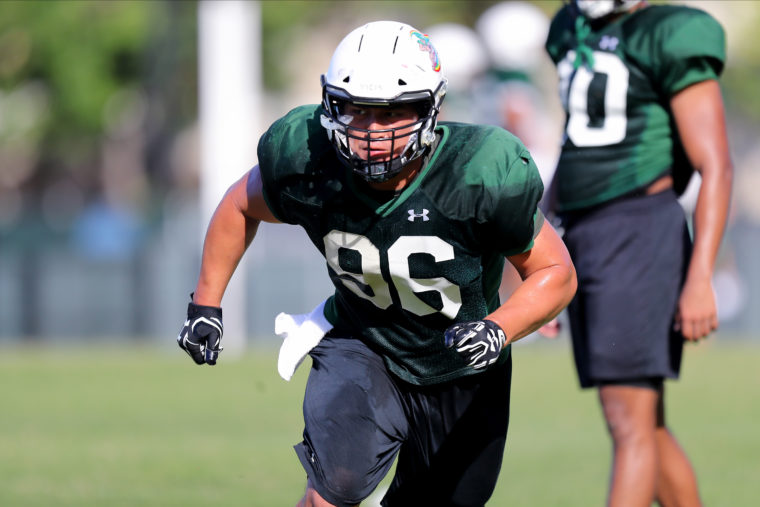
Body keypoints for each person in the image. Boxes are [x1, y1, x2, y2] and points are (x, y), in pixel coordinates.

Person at [177, 20, 576, 507]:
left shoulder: (477, 171)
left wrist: (499, 327)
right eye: (358, 111)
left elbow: (556, 272)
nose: (373, 132)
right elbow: (240, 205)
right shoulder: (307, 156)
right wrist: (206, 304)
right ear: (331, 104)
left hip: (461, 364)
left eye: (394, 113)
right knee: (334, 490)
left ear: (432, 108)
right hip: (362, 344)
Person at [545, 1, 733, 506]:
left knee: (628, 420)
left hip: (637, 228)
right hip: (585, 231)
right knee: (641, 421)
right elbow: (576, 144)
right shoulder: (571, 27)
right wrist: (542, 250)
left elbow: (714, 165)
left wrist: (700, 278)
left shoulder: (668, 31)